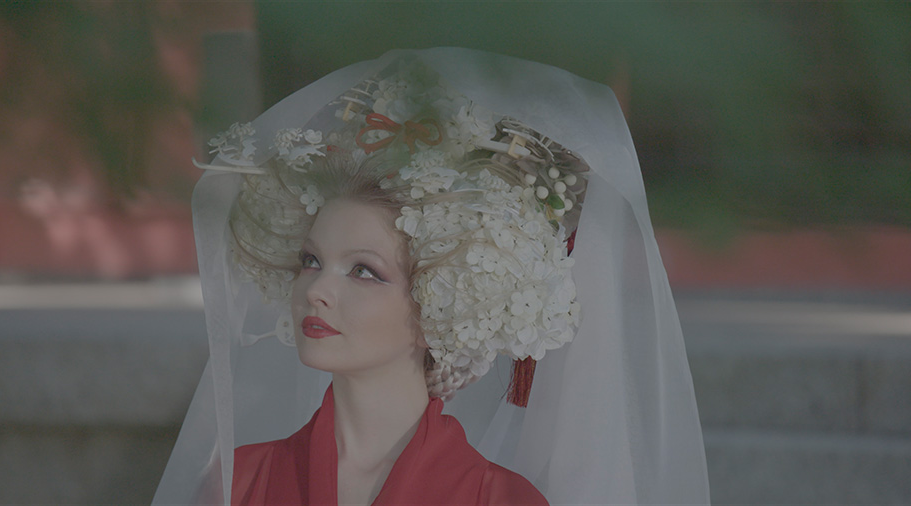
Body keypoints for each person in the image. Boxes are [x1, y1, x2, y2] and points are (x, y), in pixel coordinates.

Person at [154, 48, 710, 505]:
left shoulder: (502, 501)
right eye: (310, 261)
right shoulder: (238, 483)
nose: (317, 291)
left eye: (364, 272)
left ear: (441, 306)